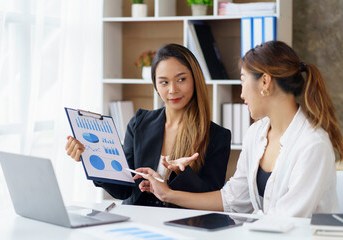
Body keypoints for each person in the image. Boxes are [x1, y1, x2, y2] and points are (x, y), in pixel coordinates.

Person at [137, 40, 343, 217]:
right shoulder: (256, 133)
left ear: (265, 82)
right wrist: (167, 194)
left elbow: (286, 222)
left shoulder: (312, 144)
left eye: (243, 81)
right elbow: (233, 199)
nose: (241, 93)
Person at [65, 43, 231, 207]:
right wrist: (89, 158)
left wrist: (181, 173)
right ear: (156, 87)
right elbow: (123, 191)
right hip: (137, 221)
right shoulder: (139, 122)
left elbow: (212, 199)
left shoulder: (217, 136)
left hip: (184, 225)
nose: (172, 90)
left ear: (195, 80)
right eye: (164, 82)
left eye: (181, 79)